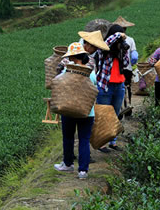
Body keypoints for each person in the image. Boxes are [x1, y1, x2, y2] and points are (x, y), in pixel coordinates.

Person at [53, 42, 97, 179]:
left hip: (69, 109)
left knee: (68, 137)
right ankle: (83, 171)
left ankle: (68, 164)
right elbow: (95, 87)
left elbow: (56, 81)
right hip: (87, 112)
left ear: (73, 57)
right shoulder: (91, 73)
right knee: (84, 139)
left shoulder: (68, 71)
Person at [96, 24, 130, 152]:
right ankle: (102, 143)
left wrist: (123, 50)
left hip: (119, 85)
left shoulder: (120, 51)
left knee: (115, 115)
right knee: (104, 115)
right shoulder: (104, 50)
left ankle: (113, 141)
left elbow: (126, 64)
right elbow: (107, 43)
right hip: (105, 86)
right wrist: (118, 36)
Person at [113, 17, 138, 111]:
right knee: (128, 86)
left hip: (116, 68)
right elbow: (134, 54)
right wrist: (133, 62)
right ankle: (129, 105)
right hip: (127, 68)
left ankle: (120, 107)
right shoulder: (130, 40)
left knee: (119, 87)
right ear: (125, 29)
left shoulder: (112, 41)